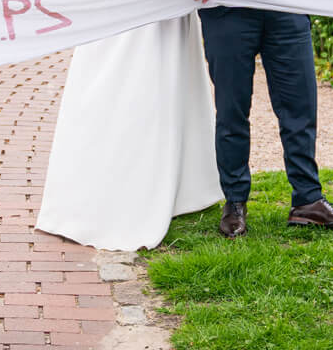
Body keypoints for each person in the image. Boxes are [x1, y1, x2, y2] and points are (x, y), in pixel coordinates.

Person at [35, 13, 223, 250]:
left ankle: (185, 189)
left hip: (168, 5)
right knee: (126, 84)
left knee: (165, 85)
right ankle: (114, 191)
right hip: (127, 5)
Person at [198, 1, 333, 238]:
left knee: (301, 109)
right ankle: (235, 203)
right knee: (231, 112)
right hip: (228, 8)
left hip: (287, 4)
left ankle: (308, 200)